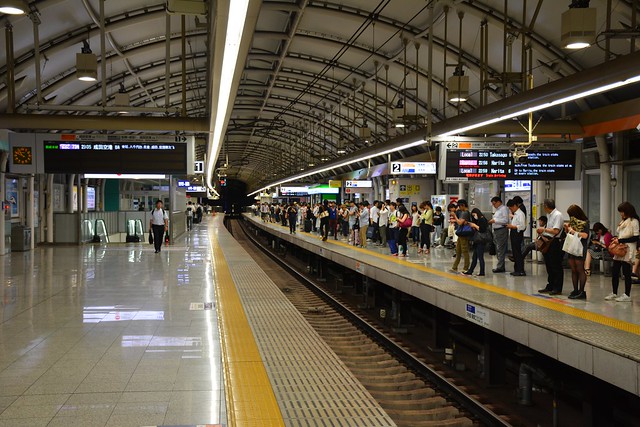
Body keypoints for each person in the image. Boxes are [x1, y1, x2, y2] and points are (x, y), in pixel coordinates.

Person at [606, 202, 640, 302]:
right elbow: (622, 235)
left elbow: (635, 237)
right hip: (620, 248)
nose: (621, 214)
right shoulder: (623, 221)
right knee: (615, 271)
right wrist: (618, 239)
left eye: (622, 212)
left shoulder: (634, 221)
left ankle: (627, 294)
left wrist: (620, 240)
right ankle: (614, 292)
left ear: (627, 211)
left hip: (628, 249)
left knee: (626, 272)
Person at [537, 199, 565, 295]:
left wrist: (544, 229)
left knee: (555, 265)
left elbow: (556, 231)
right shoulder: (550, 215)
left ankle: (557, 287)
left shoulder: (557, 215)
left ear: (546, 206)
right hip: (548, 240)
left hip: (555, 242)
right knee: (549, 264)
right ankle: (550, 285)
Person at [564, 204, 590, 299]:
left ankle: (582, 291)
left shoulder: (585, 222)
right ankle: (575, 290)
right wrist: (567, 229)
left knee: (580, 269)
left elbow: (585, 235)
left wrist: (574, 232)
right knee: (573, 269)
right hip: (571, 247)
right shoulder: (572, 222)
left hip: (580, 247)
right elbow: (568, 234)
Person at [464, 208, 488, 276]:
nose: (474, 216)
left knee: (480, 257)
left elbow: (482, 229)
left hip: (481, 240)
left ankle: (482, 272)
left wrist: (475, 226)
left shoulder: (482, 219)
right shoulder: (479, 220)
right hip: (478, 241)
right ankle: (470, 271)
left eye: (474, 215)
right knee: (475, 257)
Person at [488, 197, 509, 273]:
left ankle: (500, 267)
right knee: (498, 249)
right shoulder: (497, 210)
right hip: (497, 231)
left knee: (500, 249)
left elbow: (505, 220)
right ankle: (500, 266)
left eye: (494, 204)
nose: (494, 205)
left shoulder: (504, 209)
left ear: (499, 202)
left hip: (501, 230)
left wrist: (495, 220)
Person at [507, 199, 527, 276]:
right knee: (515, 253)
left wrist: (512, 226)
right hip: (513, 233)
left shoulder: (520, 214)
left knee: (518, 253)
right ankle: (517, 269)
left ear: (515, 206)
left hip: (517, 234)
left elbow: (522, 226)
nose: (510, 210)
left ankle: (521, 270)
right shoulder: (515, 214)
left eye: (511, 208)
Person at [451, 199, 471, 272]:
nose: (459, 208)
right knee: (458, 251)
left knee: (464, 251)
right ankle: (454, 266)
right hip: (460, 233)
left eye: (459, 206)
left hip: (463, 234)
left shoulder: (465, 213)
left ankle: (466, 267)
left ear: (463, 205)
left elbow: (459, 223)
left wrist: (455, 216)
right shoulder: (463, 212)